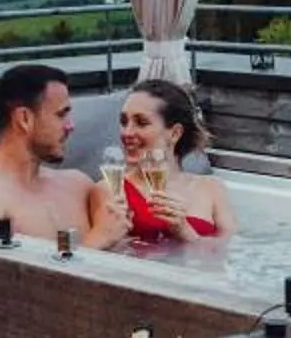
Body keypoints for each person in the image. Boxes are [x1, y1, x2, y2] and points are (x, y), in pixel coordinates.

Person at [0, 63, 97, 241]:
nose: (70, 126)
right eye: (61, 115)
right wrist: (99, 238)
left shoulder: (79, 186)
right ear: (24, 119)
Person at [87, 78, 237, 247]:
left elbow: (233, 252)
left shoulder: (212, 188)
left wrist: (186, 232)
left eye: (141, 123)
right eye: (124, 122)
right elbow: (105, 253)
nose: (127, 132)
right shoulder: (111, 189)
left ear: (174, 133)